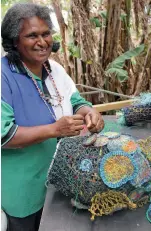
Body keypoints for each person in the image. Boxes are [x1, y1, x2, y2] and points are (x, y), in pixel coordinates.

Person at [1, 3, 104, 231]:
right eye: (31, 35)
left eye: (46, 33)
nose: (42, 41)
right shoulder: (3, 76)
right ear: (14, 41)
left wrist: (90, 112)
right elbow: (4, 135)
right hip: (22, 189)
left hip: (58, 181)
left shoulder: (53, 69)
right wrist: (55, 130)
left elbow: (76, 101)